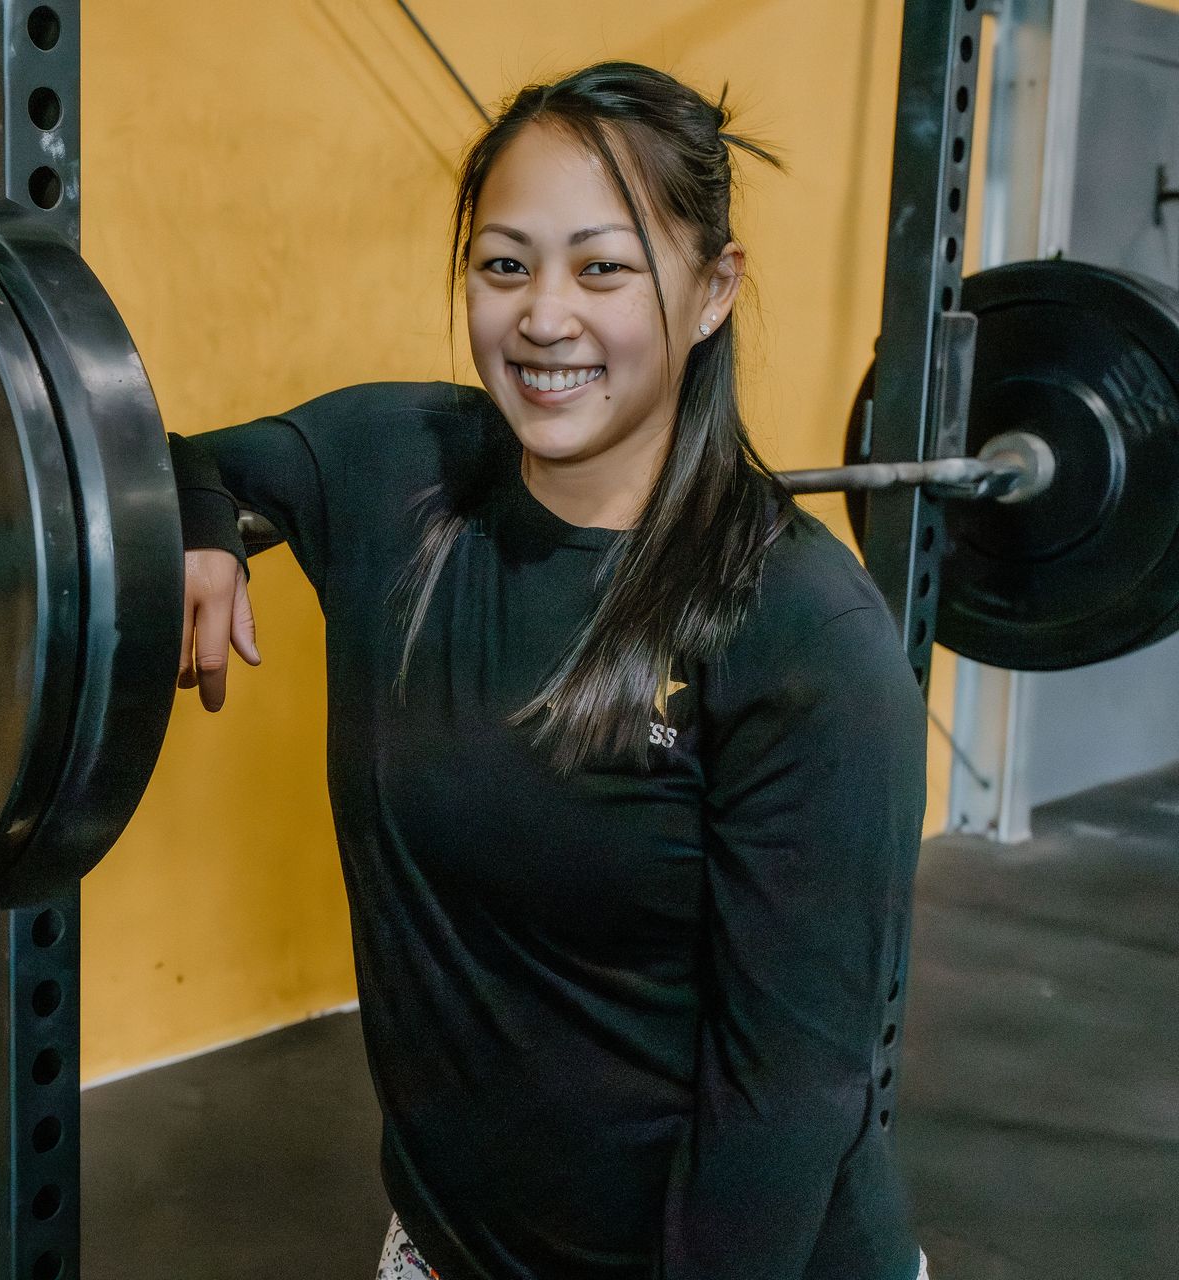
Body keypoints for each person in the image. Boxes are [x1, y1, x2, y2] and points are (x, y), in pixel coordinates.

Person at [168, 63, 931, 1280]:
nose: (543, 315)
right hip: (446, 1249)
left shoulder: (801, 632)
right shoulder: (399, 472)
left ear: (713, 288)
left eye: (604, 266)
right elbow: (179, 454)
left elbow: (791, 1093)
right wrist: (199, 522)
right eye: (504, 264)